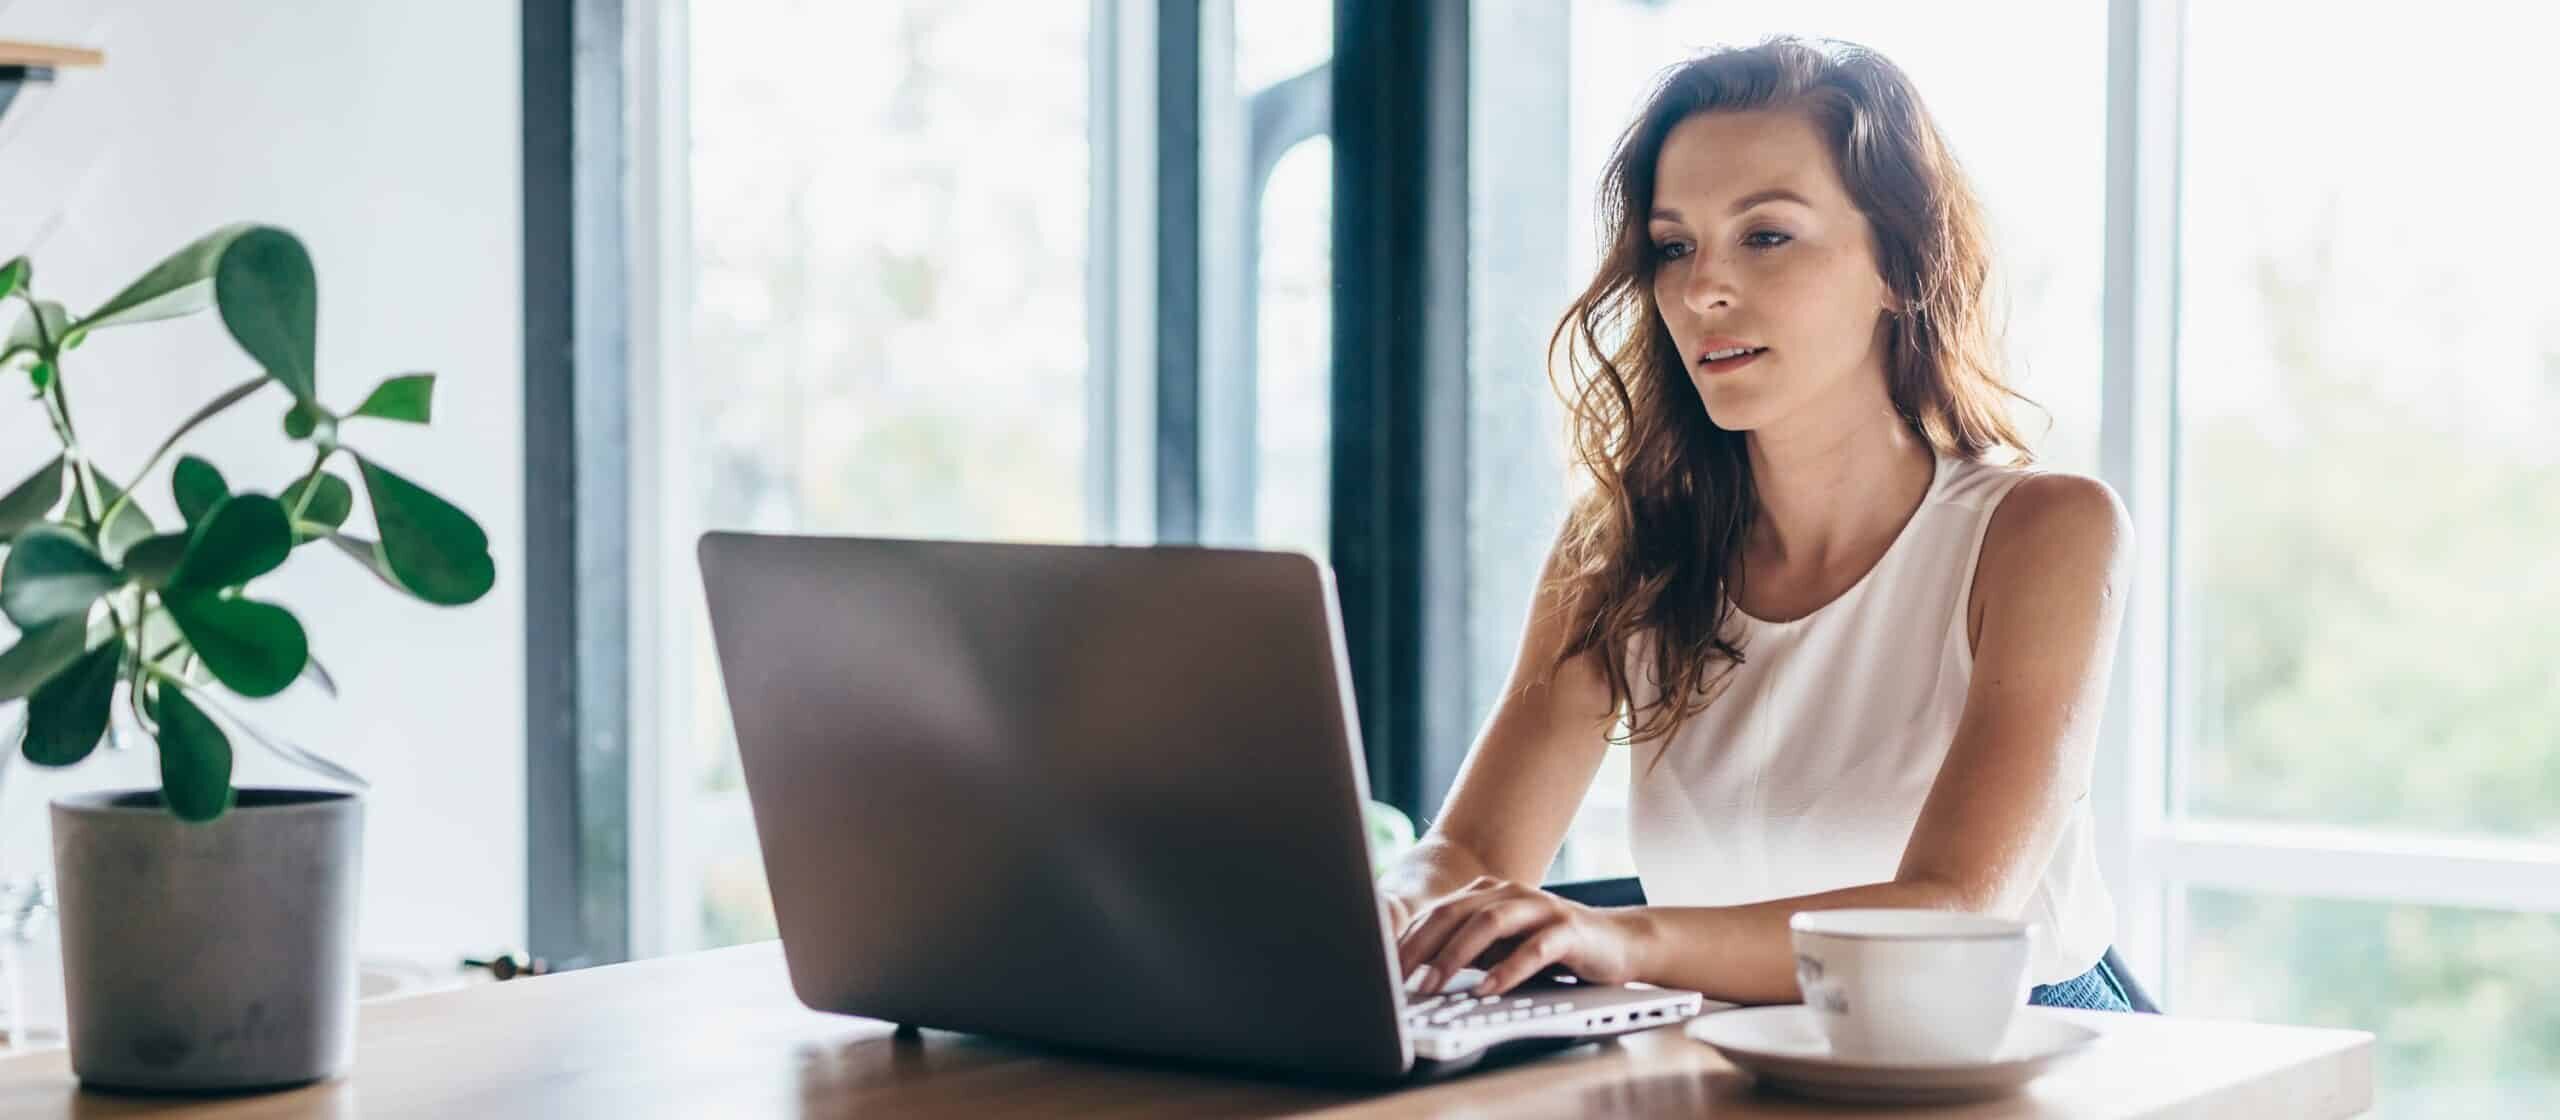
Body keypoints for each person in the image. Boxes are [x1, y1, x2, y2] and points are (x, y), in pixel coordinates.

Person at [1375, 36, 2134, 1012]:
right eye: (1672, 245)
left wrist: (1623, 937)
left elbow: (1951, 912)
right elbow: (1469, 852)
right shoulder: (1620, 546)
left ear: (1899, 266)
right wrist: (1375, 916)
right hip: (1735, 1045)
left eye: (1766, 235)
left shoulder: (2045, 530)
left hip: (2017, 1052)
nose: (1701, 290)